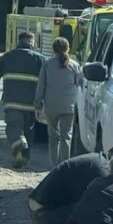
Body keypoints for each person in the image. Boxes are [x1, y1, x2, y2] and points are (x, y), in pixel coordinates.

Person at [28, 144, 113, 224]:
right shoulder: (102, 171)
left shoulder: (98, 160)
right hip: (43, 214)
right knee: (100, 214)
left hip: (42, 209)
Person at [0, 31, 44, 168]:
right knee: (28, 129)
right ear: (31, 42)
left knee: (13, 127)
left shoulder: (7, 57)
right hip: (31, 104)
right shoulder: (40, 59)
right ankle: (25, 156)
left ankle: (19, 152)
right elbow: (47, 79)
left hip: (12, 102)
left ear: (19, 41)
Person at [34, 37, 82, 167]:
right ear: (68, 48)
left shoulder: (47, 64)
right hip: (68, 106)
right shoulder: (74, 65)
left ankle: (54, 166)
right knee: (66, 136)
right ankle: (65, 165)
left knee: (53, 137)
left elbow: (41, 86)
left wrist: (38, 105)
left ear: (53, 49)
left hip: (51, 106)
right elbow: (79, 85)